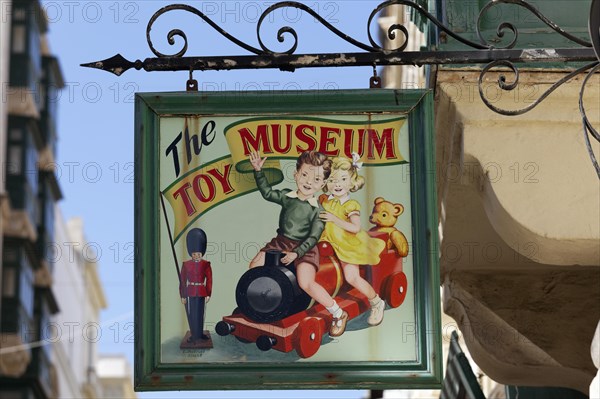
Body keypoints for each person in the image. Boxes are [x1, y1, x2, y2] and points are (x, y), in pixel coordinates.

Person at [248, 150, 347, 337]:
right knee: (254, 265)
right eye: (304, 175)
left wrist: (297, 253)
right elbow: (267, 193)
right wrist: (258, 171)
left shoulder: (318, 211)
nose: (309, 182)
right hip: (281, 242)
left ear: (323, 184)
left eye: (316, 179)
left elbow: (313, 238)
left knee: (305, 282)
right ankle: (261, 305)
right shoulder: (287, 196)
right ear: (296, 174)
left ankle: (338, 313)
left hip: (305, 249)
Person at [319, 154, 387, 330]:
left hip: (348, 245)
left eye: (343, 179)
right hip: (330, 243)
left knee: (352, 277)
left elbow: (355, 228)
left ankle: (377, 302)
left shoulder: (351, 205)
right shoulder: (329, 202)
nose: (338, 184)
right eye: (333, 180)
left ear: (351, 182)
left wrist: (334, 219)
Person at [180, 228, 213, 342]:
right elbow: (183, 281)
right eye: (194, 254)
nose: (197, 256)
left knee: (200, 314)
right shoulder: (186, 265)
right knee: (192, 314)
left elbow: (209, 279)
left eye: (198, 254)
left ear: (201, 253)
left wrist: (208, 293)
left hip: (202, 291)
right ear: (191, 253)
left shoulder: (206, 264)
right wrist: (183, 296)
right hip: (190, 291)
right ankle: (194, 334)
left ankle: (199, 334)